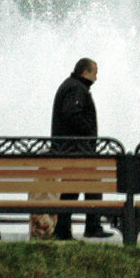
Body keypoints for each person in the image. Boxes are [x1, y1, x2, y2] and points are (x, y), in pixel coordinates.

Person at [51, 57, 112, 240]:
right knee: (88, 185)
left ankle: (65, 229)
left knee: (74, 188)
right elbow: (71, 113)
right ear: (85, 73)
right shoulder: (76, 88)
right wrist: (89, 132)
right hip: (76, 150)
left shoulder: (72, 86)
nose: (96, 79)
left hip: (73, 149)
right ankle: (90, 226)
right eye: (95, 74)